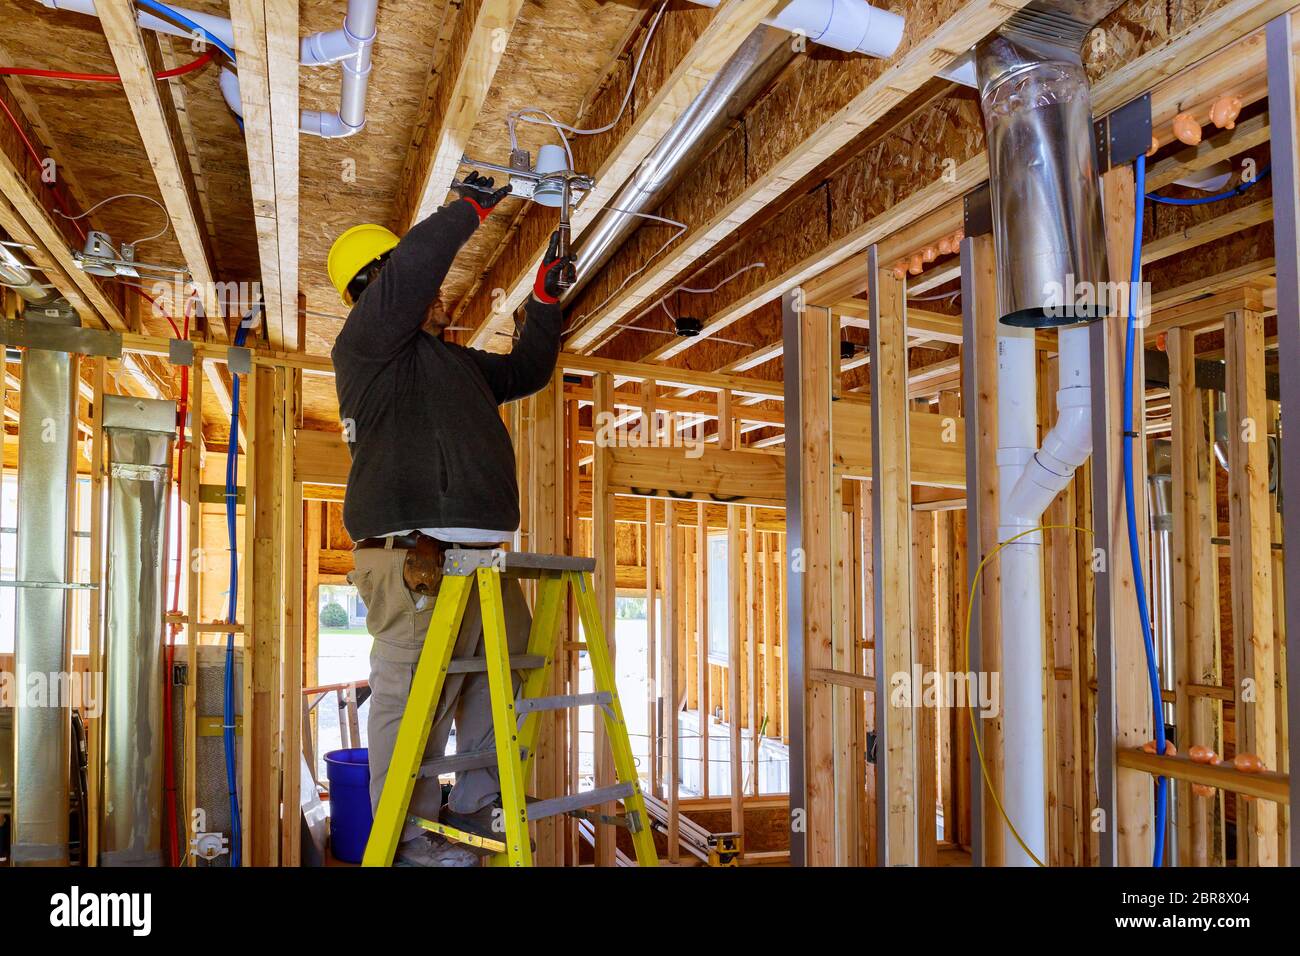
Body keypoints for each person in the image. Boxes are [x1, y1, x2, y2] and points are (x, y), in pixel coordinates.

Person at [328, 172, 574, 866]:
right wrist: (466, 210)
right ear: (379, 287)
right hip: (417, 563)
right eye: (413, 280)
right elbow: (408, 278)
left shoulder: (455, 365)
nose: (437, 292)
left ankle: (476, 811)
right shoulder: (367, 348)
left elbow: (525, 370)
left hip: (482, 566)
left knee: (491, 689)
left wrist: (545, 303)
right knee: (413, 705)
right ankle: (405, 843)